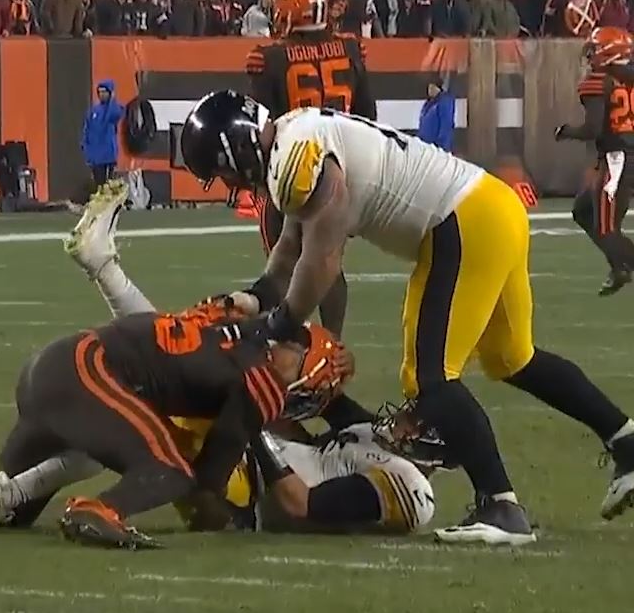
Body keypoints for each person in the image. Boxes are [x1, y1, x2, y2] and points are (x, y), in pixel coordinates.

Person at [178, 89, 634, 546]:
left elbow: (322, 264)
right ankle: (626, 441)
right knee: (512, 358)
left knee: (429, 377)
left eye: (219, 171)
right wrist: (250, 301)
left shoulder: (297, 156)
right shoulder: (299, 137)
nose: (228, 181)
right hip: (492, 207)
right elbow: (287, 258)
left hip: (461, 222)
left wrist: (277, 328)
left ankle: (501, 505)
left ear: (234, 147)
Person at [0, 180, 442, 537]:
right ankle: (5, 496)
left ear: (429, 451)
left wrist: (253, 418)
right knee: (169, 374)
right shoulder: (366, 437)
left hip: (243, 489)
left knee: (162, 392)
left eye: (413, 426)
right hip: (244, 447)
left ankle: (105, 268)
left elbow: (299, 501)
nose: (399, 422)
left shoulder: (409, 488)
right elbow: (315, 404)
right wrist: (258, 330)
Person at [0, 243, 352, 549]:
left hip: (64, 368)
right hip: (86, 370)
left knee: (6, 506)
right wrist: (255, 467)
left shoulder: (229, 325)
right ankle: (97, 509)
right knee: (170, 469)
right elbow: (207, 483)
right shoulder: (260, 376)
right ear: (299, 356)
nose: (298, 396)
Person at [243, 0, 375, 338]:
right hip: (340, 166)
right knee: (328, 260)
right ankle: (332, 343)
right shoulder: (350, 49)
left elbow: (264, 126)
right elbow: (367, 115)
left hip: (292, 169)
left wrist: (259, 180)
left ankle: (284, 347)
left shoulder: (267, 59)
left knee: (282, 265)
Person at [557, 26, 634, 296]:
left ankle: (624, 265)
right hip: (623, 156)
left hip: (617, 159)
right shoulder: (626, 78)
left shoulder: (599, 82)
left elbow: (593, 130)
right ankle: (621, 266)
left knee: (605, 228)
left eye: (594, 50)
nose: (590, 56)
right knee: (583, 211)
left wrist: (566, 131)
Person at [81, 79, 122, 187]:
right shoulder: (93, 110)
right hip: (95, 156)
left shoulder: (115, 108)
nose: (102, 94)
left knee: (108, 185)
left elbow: (115, 115)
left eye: (104, 91)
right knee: (98, 184)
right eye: (100, 92)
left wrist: (112, 101)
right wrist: (86, 146)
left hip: (108, 155)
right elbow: (87, 128)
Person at [418, 77, 455, 153]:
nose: (429, 90)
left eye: (432, 87)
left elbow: (446, 124)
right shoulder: (428, 104)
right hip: (426, 146)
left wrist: (442, 146)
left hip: (437, 148)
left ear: (438, 88)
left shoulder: (444, 102)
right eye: (429, 87)